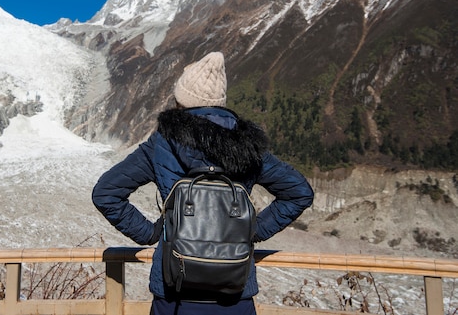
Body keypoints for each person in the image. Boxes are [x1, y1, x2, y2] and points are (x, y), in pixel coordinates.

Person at [92, 51, 314, 315]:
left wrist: (150, 233)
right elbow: (299, 193)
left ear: (181, 99)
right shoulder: (248, 146)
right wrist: (250, 231)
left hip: (175, 290)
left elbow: (106, 193)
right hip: (235, 291)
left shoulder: (161, 144)